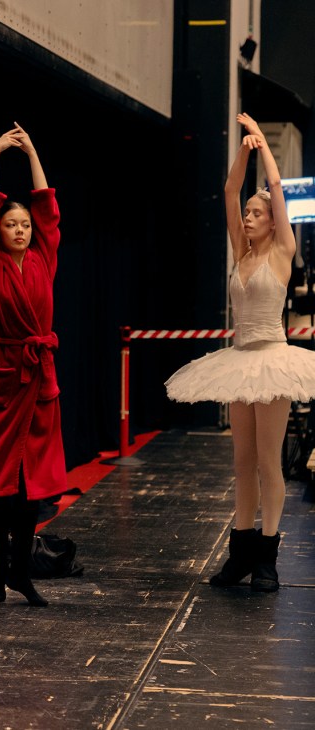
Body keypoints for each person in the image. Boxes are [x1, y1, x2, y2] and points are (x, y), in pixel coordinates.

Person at [165, 112, 315, 592]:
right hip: (240, 360)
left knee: (269, 460)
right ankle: (241, 552)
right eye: (246, 214)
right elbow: (230, 192)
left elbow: (277, 187)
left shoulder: (281, 250)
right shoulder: (241, 252)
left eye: (256, 214)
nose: (247, 217)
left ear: (272, 222)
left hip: (271, 358)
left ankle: (267, 557)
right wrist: (243, 149)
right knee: (241, 461)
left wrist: (265, 151)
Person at [0, 122, 68, 606]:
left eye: (24, 225)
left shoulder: (44, 259)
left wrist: (32, 152)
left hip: (40, 377)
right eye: (12, 225)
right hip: (4, 378)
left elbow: (48, 208)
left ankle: (20, 570)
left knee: (33, 487)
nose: (21, 231)